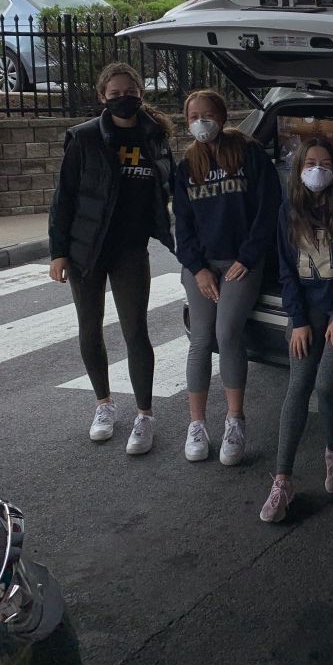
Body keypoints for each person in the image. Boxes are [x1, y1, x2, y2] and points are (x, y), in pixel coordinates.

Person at [48, 61, 175, 455]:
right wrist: (58, 252)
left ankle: (145, 414)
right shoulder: (84, 138)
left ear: (141, 93)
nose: (124, 99)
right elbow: (64, 196)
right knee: (90, 327)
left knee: (136, 330)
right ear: (102, 97)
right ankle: (103, 404)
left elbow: (168, 189)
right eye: (115, 93)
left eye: (130, 91)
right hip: (87, 249)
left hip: (130, 249)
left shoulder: (155, 136)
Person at [259, 135, 333, 523]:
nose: (317, 170)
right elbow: (286, 272)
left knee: (326, 384)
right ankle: (282, 480)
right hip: (308, 309)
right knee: (298, 386)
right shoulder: (288, 209)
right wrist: (298, 320)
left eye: (325, 163)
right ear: (299, 167)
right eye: (310, 163)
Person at [173, 90, 281, 466]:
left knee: (227, 332)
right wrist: (198, 268)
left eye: (206, 114)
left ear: (221, 115)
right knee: (200, 339)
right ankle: (197, 424)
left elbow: (268, 210)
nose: (200, 122)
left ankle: (235, 419)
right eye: (193, 116)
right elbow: (182, 226)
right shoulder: (187, 165)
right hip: (202, 263)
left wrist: (248, 258)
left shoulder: (248, 154)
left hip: (241, 262)